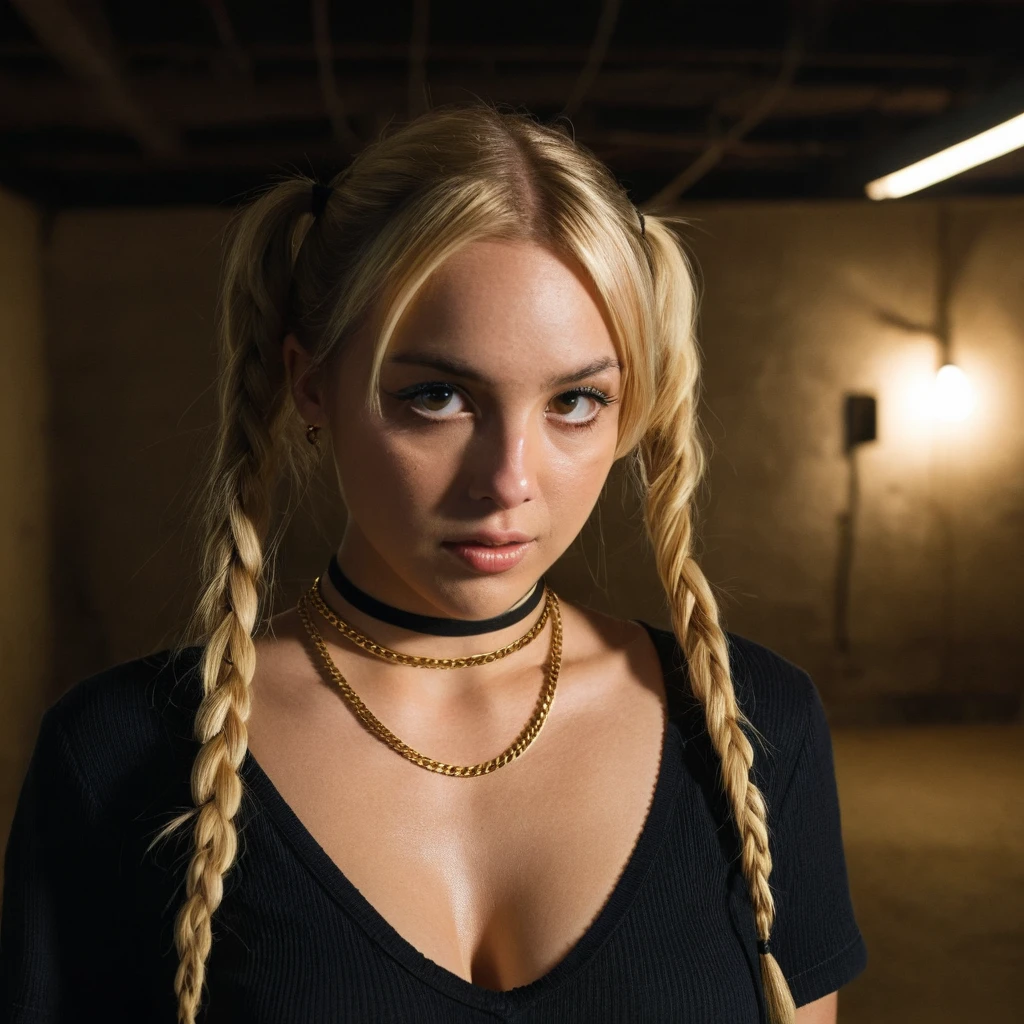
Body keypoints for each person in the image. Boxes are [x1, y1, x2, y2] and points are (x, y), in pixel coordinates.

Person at [0, 103, 866, 1024]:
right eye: (439, 396)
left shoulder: (754, 730)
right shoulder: (121, 753)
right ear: (310, 381)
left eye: (575, 400)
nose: (508, 480)